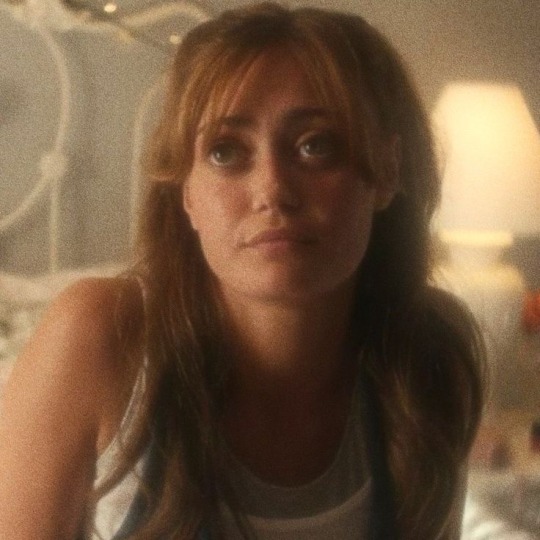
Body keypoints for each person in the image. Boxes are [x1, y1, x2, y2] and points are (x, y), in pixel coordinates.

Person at [0, 3, 485, 539]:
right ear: (186, 192)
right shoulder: (101, 334)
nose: (272, 190)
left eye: (315, 145)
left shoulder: (431, 351)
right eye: (226, 152)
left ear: (387, 170)